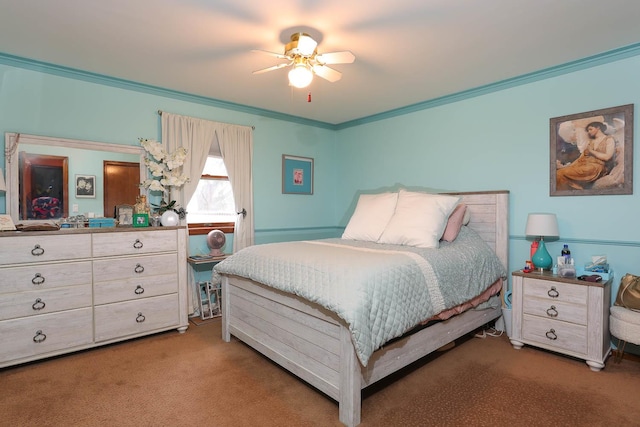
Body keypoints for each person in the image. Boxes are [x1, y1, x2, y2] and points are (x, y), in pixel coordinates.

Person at [556, 121, 615, 191]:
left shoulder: (609, 139)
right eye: (588, 130)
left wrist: (592, 151)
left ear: (598, 128)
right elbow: (581, 158)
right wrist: (567, 166)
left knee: (561, 173)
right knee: (558, 173)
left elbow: (607, 157)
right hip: (583, 164)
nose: (589, 132)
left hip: (596, 167)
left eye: (590, 129)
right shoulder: (591, 142)